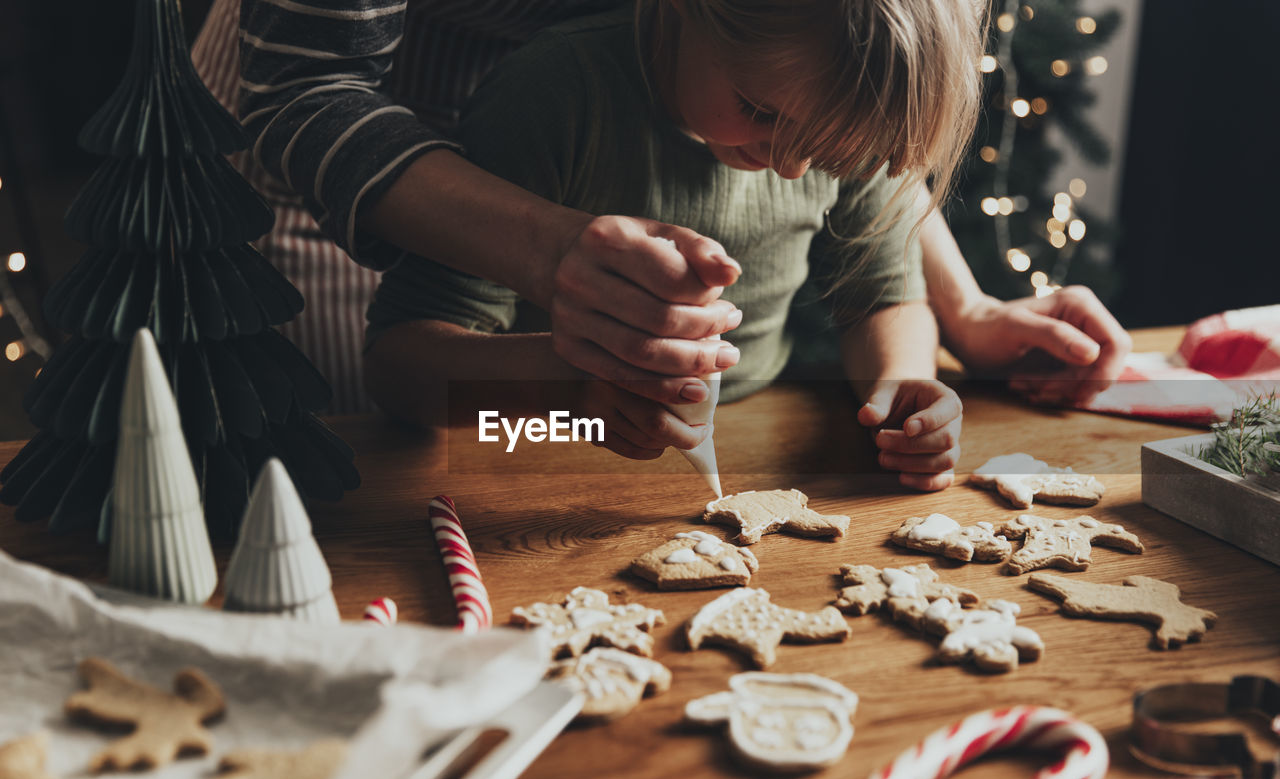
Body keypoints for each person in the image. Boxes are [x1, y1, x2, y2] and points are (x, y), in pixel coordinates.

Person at [193, 0, 1131, 473]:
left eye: (829, 147)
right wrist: (571, 395)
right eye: (762, 116)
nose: (794, 168)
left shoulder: (801, 96)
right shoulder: (554, 100)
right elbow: (409, 374)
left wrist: (950, 318)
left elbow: (870, 221)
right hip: (337, 157)